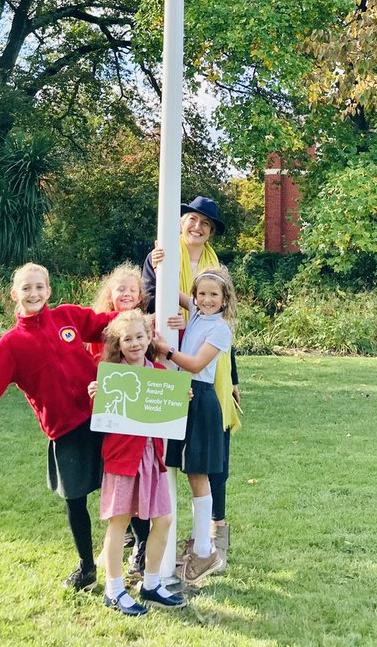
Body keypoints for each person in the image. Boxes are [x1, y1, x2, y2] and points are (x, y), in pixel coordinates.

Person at [0, 262, 116, 591]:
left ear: (49, 290)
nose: (33, 293)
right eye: (26, 288)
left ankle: (140, 556)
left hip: (103, 416)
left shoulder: (68, 317)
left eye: (39, 287)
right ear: (15, 294)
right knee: (75, 501)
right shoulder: (12, 345)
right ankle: (87, 567)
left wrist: (151, 318)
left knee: (126, 488)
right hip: (65, 431)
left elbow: (111, 324)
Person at [143, 196, 240, 569]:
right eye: (191, 219)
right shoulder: (163, 258)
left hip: (201, 380)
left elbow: (213, 328)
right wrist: (162, 269)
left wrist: (231, 378)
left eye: (205, 223)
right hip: (171, 371)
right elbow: (159, 296)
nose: (197, 227)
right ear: (181, 222)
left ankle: (211, 542)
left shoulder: (216, 285)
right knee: (172, 459)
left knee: (207, 463)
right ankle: (157, 544)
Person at [88, 310, 185, 615]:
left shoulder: (158, 373)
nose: (134, 343)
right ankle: (114, 590)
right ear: (118, 342)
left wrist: (182, 398)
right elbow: (104, 417)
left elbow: (166, 411)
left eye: (139, 337)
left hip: (151, 456)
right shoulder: (110, 374)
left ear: (148, 338)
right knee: (119, 521)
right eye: (127, 339)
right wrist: (95, 395)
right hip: (121, 457)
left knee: (164, 519)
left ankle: (152, 584)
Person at [154, 265, 237, 583]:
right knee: (187, 472)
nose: (206, 299)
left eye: (213, 295)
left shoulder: (219, 329)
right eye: (201, 294)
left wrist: (168, 351)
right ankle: (198, 545)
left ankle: (206, 551)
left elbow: (197, 363)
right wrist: (159, 260)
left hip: (200, 400)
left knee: (198, 474)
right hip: (182, 397)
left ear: (224, 298)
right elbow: (171, 290)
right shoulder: (197, 312)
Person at [87, 262, 150, 575]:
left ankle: (141, 545)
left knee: (137, 482)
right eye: (119, 288)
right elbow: (88, 363)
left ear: (140, 295)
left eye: (131, 289)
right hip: (106, 416)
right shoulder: (98, 329)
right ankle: (119, 537)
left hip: (137, 422)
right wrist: (94, 386)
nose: (125, 293)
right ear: (109, 294)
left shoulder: (143, 327)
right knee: (112, 482)